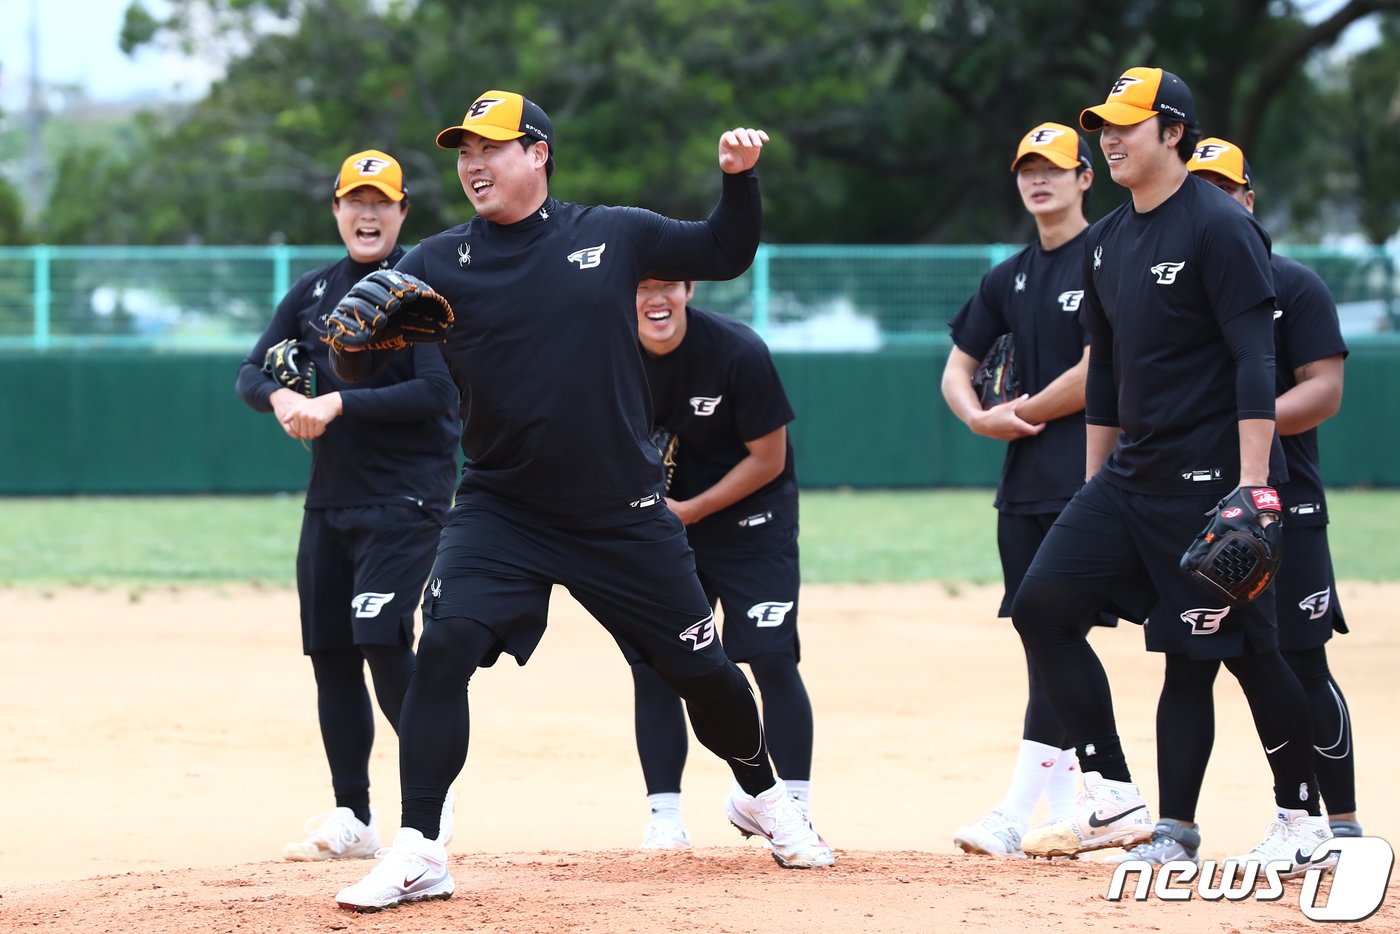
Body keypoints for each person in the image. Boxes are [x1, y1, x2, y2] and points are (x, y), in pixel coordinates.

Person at [328, 91, 833, 912]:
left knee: (702, 670)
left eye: (491, 148)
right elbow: (359, 361)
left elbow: (725, 249)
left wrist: (739, 180)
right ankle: (421, 848)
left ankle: (762, 795)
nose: (474, 164)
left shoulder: (611, 233)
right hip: (502, 507)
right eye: (464, 152)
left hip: (619, 513)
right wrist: (347, 349)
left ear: (538, 154)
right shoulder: (435, 261)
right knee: (446, 643)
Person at [1009, 68, 1335, 877]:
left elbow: (1256, 358)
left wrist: (1255, 486)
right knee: (1042, 607)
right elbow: (1108, 372)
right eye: (1104, 126)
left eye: (1127, 124)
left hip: (1212, 482)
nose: (1110, 137)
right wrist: (1094, 479)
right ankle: (1115, 790)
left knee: (1244, 653)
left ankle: (1304, 819)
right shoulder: (1110, 239)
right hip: (1129, 478)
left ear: (1173, 132)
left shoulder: (1219, 227)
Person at [1106, 137, 1357, 866]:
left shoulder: (1293, 285)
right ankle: (1180, 829)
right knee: (1192, 659)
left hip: (1286, 502)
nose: (1211, 202)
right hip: (1190, 501)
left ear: (1248, 200)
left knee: (1302, 660)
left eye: (1227, 190)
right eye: (1201, 188)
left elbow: (1326, 391)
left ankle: (1336, 827)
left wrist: (1238, 423)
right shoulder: (1170, 282)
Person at [235, 150, 460, 861]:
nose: (368, 213)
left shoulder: (419, 291)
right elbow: (251, 367)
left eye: (381, 202)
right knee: (332, 654)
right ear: (336, 210)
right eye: (354, 201)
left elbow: (434, 393)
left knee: (380, 637)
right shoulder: (313, 291)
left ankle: (432, 799)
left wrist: (336, 400)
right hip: (332, 500)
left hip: (407, 496)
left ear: (401, 214)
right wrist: (282, 397)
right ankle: (353, 815)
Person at [942, 122, 1109, 858]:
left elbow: (1100, 368)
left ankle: (1015, 812)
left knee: (1056, 638)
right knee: (1047, 644)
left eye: (1054, 168)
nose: (1039, 180)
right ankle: (1076, 807)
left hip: (1095, 479)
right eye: (1027, 170)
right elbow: (956, 367)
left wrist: (1023, 411)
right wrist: (980, 417)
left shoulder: (1107, 256)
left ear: (1084, 179)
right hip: (1024, 488)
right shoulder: (1007, 276)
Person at [626, 277, 814, 850]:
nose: (656, 299)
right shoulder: (606, 353)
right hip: (665, 531)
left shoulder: (736, 350)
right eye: (641, 286)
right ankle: (664, 820)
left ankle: (792, 808)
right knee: (658, 665)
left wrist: (690, 509)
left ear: (688, 289)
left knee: (771, 657)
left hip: (751, 524)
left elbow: (769, 457)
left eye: (668, 286)